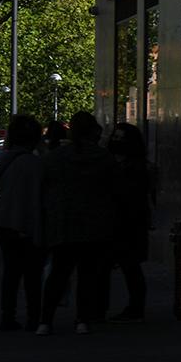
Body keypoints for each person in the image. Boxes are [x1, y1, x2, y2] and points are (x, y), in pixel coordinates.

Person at [38, 111, 118, 336]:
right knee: (87, 274)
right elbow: (114, 190)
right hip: (93, 223)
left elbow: (45, 186)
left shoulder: (56, 157)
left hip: (63, 222)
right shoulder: (103, 158)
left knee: (59, 273)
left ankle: (45, 320)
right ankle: (82, 319)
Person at [0, 115, 46, 331]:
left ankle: (8, 316)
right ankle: (34, 316)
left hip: (4, 222)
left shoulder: (4, 159)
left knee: (11, 272)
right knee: (32, 275)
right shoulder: (33, 164)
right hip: (26, 223)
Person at [105, 122, 155, 321]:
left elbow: (135, 195)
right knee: (127, 266)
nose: (116, 141)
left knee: (130, 266)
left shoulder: (135, 167)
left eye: (120, 138)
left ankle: (136, 307)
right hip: (119, 220)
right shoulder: (118, 163)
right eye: (115, 137)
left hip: (130, 222)